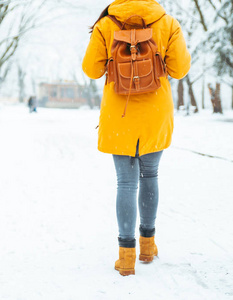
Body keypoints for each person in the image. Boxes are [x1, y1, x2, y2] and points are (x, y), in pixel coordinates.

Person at [82, 0, 190, 276]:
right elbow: (179, 69)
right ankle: (147, 247)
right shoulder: (167, 22)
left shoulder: (106, 24)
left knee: (126, 183)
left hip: (120, 113)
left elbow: (91, 70)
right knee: (150, 175)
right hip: (155, 111)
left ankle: (126, 256)